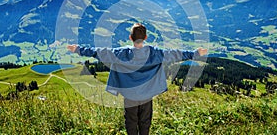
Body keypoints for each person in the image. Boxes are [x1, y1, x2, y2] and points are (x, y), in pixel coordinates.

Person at [67, 23, 207, 135]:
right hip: (147, 95)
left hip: (130, 95)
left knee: (131, 121)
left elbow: (99, 52)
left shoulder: (121, 53)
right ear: (145, 37)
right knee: (145, 121)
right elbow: (175, 54)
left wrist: (78, 49)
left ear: (130, 37)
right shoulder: (154, 53)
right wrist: (195, 53)